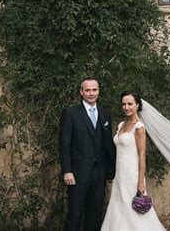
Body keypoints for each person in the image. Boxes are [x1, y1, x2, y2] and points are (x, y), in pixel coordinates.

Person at [101, 91, 165, 231]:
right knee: (119, 208)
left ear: (137, 105)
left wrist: (141, 181)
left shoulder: (139, 127)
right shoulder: (121, 125)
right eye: (124, 104)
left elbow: (142, 155)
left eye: (130, 104)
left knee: (135, 211)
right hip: (120, 176)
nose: (126, 107)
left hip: (132, 175)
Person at [59, 77, 116, 231]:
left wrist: (110, 171)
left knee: (95, 216)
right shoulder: (70, 113)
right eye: (88, 90)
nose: (91, 93)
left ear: (98, 91)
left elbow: (108, 145)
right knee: (74, 215)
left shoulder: (105, 114)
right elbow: (64, 144)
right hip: (77, 173)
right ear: (81, 92)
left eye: (94, 90)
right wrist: (67, 170)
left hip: (99, 174)